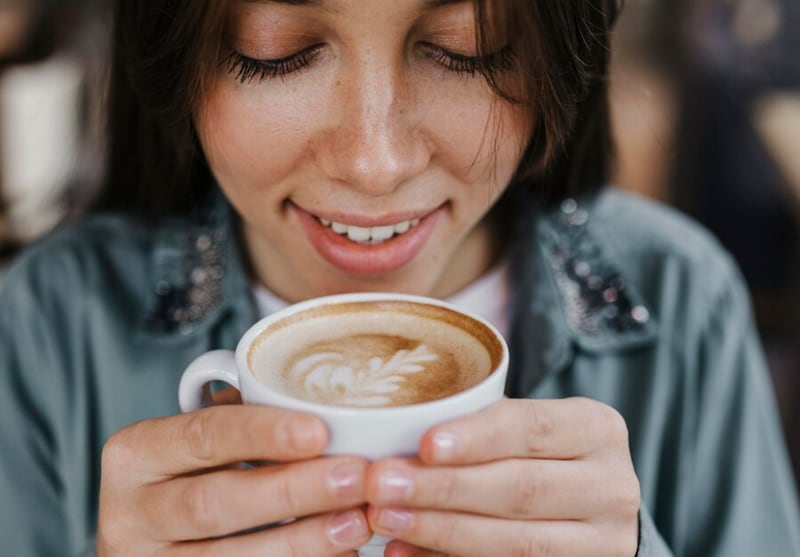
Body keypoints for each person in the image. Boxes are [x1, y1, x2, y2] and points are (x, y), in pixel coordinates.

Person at [1, 0, 799, 555]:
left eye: (467, 46)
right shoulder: (51, 320)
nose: (374, 164)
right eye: (274, 49)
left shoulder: (682, 296)